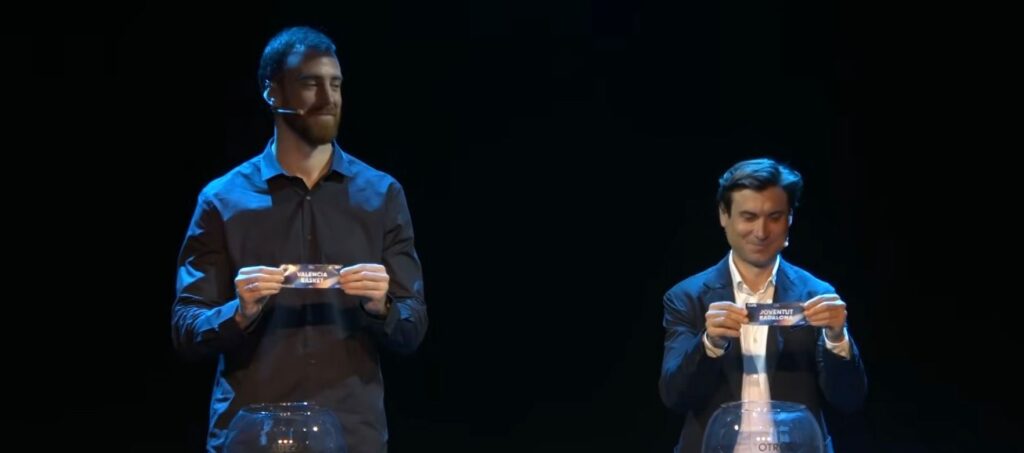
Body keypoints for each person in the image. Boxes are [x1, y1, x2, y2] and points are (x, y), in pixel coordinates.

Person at [171, 26, 427, 453]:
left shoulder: (381, 195)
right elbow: (186, 326)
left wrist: (383, 308)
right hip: (251, 437)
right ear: (272, 93)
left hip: (351, 436)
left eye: (336, 84)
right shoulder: (222, 200)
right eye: (311, 84)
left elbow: (412, 326)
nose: (329, 98)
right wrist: (238, 313)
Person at [659, 158, 867, 453]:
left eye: (774, 217)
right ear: (723, 216)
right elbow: (675, 397)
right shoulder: (687, 297)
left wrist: (837, 339)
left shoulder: (817, 294)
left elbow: (848, 399)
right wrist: (709, 345)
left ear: (789, 218)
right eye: (749, 217)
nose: (761, 231)